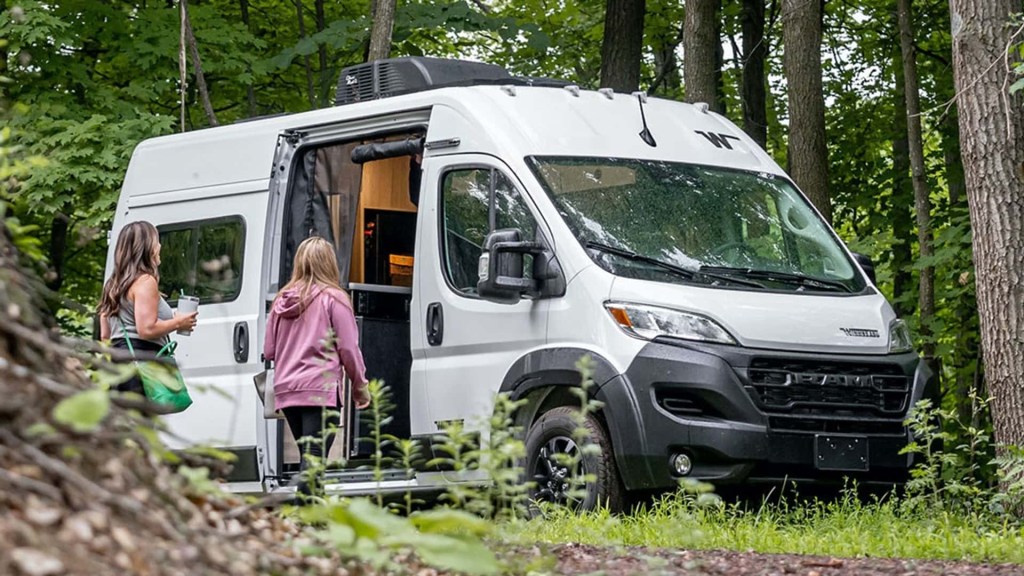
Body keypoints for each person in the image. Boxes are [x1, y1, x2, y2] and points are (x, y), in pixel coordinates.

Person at [263, 236, 370, 497]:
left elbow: (270, 350)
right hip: (319, 389)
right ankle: (301, 513)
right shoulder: (334, 299)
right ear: (329, 263)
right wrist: (360, 386)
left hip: (287, 390)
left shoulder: (281, 301)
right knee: (314, 460)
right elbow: (348, 348)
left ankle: (314, 514)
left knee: (310, 458)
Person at [98, 221, 199, 395]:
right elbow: (146, 329)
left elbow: (105, 335)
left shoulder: (112, 286)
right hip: (143, 366)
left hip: (119, 368)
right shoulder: (145, 281)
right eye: (156, 241)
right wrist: (178, 323)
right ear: (147, 248)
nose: (160, 246)